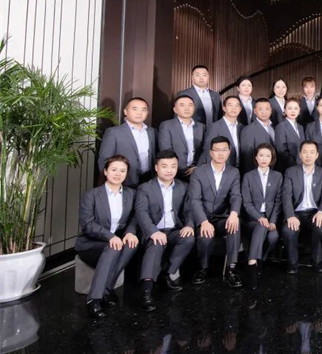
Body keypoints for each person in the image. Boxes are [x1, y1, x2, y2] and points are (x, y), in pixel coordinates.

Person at [76, 155, 139, 319]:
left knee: (131, 244)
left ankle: (106, 291)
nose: (118, 174)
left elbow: (134, 218)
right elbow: (87, 224)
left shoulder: (131, 194)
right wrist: (110, 236)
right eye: (114, 170)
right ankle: (94, 299)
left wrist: (130, 232)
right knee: (113, 247)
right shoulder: (91, 195)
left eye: (122, 171)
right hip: (90, 244)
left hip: (115, 243)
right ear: (105, 171)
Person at [135, 150, 195, 312]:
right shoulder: (145, 188)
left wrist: (189, 225)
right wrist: (153, 231)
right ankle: (146, 290)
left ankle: (166, 274)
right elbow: (141, 213)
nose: (169, 170)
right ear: (156, 167)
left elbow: (189, 210)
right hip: (154, 230)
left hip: (174, 230)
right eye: (164, 166)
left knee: (188, 238)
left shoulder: (183, 187)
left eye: (173, 166)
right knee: (156, 244)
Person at [188, 136, 243, 288]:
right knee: (205, 236)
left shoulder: (234, 172)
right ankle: (203, 268)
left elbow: (236, 196)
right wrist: (203, 221)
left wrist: (234, 214)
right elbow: (194, 200)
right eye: (217, 150)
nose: (220, 153)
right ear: (210, 152)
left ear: (229, 152)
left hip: (222, 217)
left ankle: (231, 269)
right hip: (204, 216)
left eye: (224, 150)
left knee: (235, 225)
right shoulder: (199, 172)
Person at [281, 141, 322, 273]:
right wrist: (290, 215)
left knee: (320, 227)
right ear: (300, 154)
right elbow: (286, 196)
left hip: (314, 212)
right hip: (296, 212)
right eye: (305, 152)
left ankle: (317, 261)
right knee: (288, 230)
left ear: (317, 155)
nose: (308, 155)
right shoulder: (291, 172)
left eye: (312, 152)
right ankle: (293, 263)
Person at [241, 144, 283, 290]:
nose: (264, 159)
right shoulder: (248, 176)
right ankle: (252, 265)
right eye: (261, 155)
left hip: (270, 217)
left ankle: (260, 260)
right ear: (256, 157)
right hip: (253, 218)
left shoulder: (278, 176)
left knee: (273, 237)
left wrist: (273, 221)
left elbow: (278, 202)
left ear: (272, 158)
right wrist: (259, 217)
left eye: (267, 156)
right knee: (260, 226)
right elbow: (247, 203)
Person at [97, 97, 158, 188]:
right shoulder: (114, 132)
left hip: (148, 181)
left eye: (143, 110)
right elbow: (104, 160)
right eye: (135, 109)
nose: (139, 113)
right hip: (124, 182)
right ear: (125, 112)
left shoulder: (152, 132)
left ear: (147, 113)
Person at [158, 95, 204, 180]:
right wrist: (183, 169)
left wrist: (197, 168)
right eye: (182, 105)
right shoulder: (166, 125)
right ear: (175, 109)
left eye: (190, 105)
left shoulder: (201, 127)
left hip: (197, 171)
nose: (187, 108)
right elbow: (166, 150)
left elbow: (204, 150)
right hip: (174, 172)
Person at [201, 96, 243, 168]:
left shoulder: (242, 128)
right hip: (222, 168)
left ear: (240, 109)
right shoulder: (214, 127)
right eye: (230, 105)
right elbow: (208, 150)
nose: (234, 108)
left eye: (237, 105)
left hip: (241, 168)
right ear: (224, 108)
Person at [239, 98, 276, 174]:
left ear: (271, 111)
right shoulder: (248, 130)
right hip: (257, 172)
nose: (264, 112)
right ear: (255, 111)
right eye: (260, 109)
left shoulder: (274, 127)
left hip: (273, 172)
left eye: (267, 109)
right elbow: (247, 158)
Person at [274, 98, 305, 172]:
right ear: (285, 110)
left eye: (296, 108)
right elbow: (281, 150)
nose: (293, 111)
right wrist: (293, 165)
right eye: (290, 108)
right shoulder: (280, 127)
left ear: (299, 111)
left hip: (301, 165)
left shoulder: (300, 127)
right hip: (288, 166)